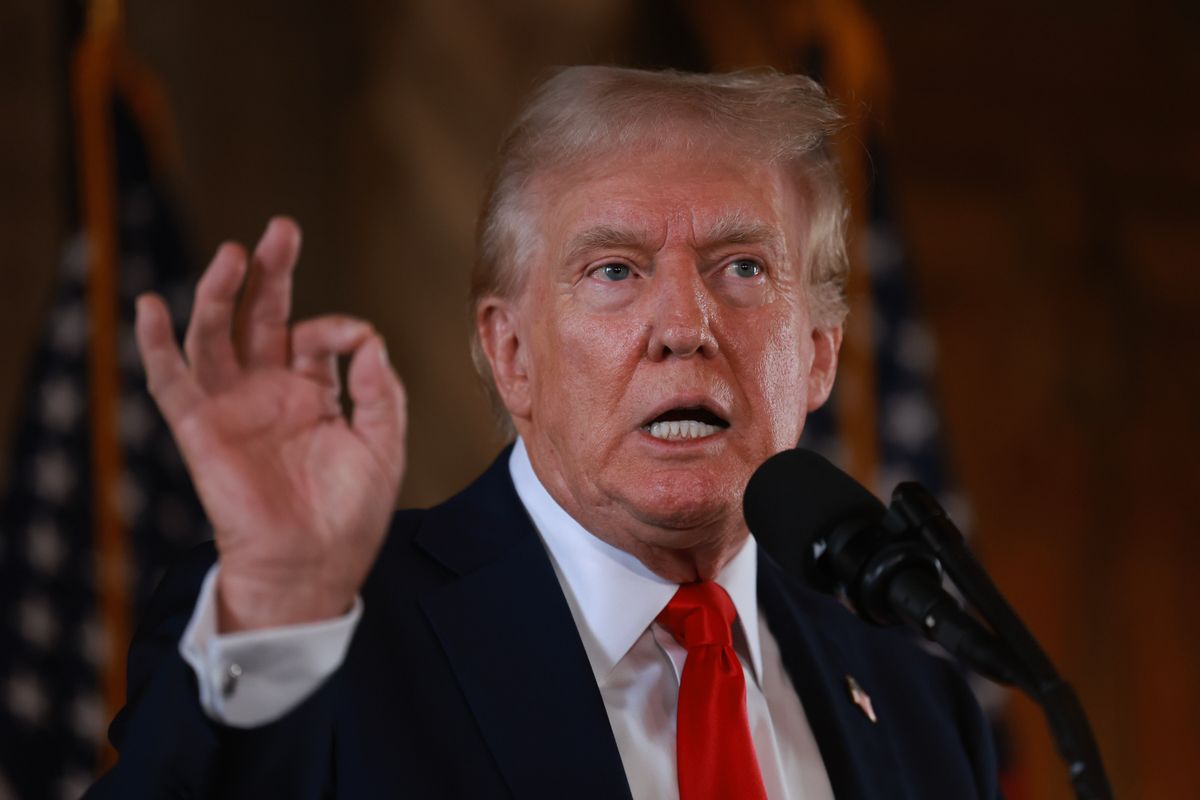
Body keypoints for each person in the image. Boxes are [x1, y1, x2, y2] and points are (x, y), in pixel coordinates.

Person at [87, 67, 998, 799]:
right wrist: (274, 616)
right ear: (510, 351)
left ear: (819, 354)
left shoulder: (924, 712)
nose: (684, 324)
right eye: (613, 270)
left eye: (744, 266)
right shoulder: (317, 635)